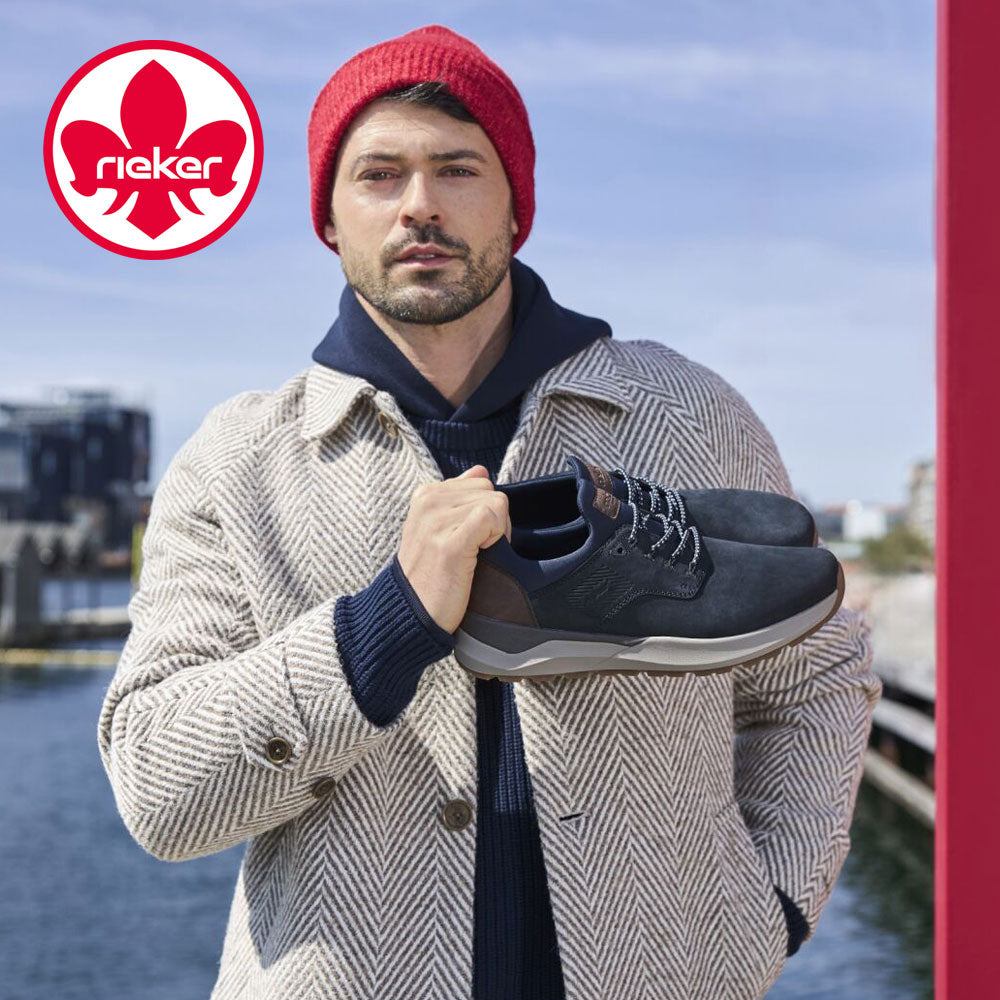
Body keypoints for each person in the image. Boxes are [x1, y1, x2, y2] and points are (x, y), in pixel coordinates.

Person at [97, 24, 882, 1000]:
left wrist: (770, 903)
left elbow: (814, 673)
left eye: (457, 169)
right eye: (378, 174)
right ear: (330, 220)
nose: (419, 204)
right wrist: (380, 628)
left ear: (517, 207)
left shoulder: (688, 411)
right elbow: (158, 791)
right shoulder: (235, 461)